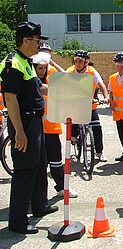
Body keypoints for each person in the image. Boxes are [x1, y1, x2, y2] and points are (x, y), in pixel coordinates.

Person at [0, 21, 58, 234]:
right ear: (26, 40)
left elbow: (37, 88)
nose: (39, 46)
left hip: (35, 121)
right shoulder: (12, 63)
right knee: (24, 170)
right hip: (23, 123)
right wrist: (20, 133)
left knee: (39, 164)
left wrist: (62, 87)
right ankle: (17, 222)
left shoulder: (26, 62)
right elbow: (11, 98)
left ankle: (40, 206)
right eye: (37, 41)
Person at [32, 52, 78, 198]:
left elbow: (67, 78)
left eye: (44, 68)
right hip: (36, 130)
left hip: (51, 128)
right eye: (40, 68)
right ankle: (39, 195)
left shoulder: (51, 80)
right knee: (39, 164)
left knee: (57, 161)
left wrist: (52, 63)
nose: (43, 71)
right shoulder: (32, 84)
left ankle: (62, 188)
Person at [66, 50, 109, 162]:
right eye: (76, 61)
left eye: (80, 61)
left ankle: (99, 152)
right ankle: (74, 137)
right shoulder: (70, 71)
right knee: (73, 123)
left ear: (86, 62)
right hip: (75, 104)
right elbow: (63, 84)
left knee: (97, 128)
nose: (77, 63)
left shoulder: (92, 71)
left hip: (89, 105)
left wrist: (106, 97)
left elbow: (101, 84)